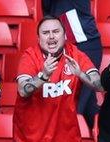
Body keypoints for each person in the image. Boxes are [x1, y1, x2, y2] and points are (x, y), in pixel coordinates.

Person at [13, 15, 103, 142]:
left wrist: (80, 74)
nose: (51, 37)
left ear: (65, 35)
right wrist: (43, 75)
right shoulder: (30, 56)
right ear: (38, 38)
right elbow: (23, 91)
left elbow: (99, 86)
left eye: (56, 31)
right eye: (45, 33)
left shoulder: (75, 55)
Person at [42, 0, 102, 129]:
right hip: (65, 46)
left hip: (86, 44)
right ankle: (104, 141)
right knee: (88, 105)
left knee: (77, 105)